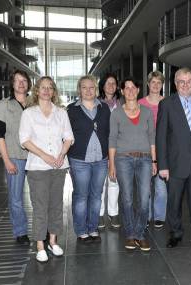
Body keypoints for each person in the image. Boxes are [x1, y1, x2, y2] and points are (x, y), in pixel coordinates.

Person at [156, 67, 191, 253]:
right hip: (174, 165)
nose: (186, 85)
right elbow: (161, 137)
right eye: (182, 81)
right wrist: (162, 165)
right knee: (174, 202)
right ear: (175, 83)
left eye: (189, 81)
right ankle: (175, 234)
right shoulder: (166, 104)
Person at [19, 76, 74, 263]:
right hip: (37, 167)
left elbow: (68, 137)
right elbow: (24, 140)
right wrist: (45, 156)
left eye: (50, 88)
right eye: (43, 87)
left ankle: (53, 241)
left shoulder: (61, 113)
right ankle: (40, 245)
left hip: (59, 166)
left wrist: (61, 155)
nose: (46, 90)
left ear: (54, 91)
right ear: (37, 90)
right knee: (40, 206)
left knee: (56, 205)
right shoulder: (29, 113)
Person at [109, 77, 156, 251]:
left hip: (144, 159)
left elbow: (152, 137)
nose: (129, 91)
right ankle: (131, 234)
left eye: (133, 87)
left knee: (144, 199)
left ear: (138, 90)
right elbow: (112, 139)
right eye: (126, 88)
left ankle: (139, 233)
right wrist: (112, 164)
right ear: (122, 91)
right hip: (123, 159)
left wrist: (154, 160)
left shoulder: (147, 112)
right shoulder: (116, 113)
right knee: (127, 199)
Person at [67, 75, 110, 243]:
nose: (88, 90)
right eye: (84, 87)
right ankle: (81, 230)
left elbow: (109, 133)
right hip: (79, 160)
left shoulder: (104, 108)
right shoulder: (71, 110)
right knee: (81, 196)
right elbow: (65, 135)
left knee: (96, 195)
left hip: (101, 160)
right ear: (79, 90)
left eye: (91, 87)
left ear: (96, 89)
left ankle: (92, 228)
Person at [0, 70, 32, 245]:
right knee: (16, 197)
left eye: (24, 80)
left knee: (39, 196)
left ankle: (43, 230)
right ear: (12, 84)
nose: (21, 83)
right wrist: (7, 160)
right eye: (17, 80)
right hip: (15, 157)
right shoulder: (4, 105)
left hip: (35, 157)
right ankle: (21, 232)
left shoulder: (35, 103)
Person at [138, 70, 167, 229]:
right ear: (148, 84)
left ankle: (159, 216)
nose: (156, 85)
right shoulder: (140, 103)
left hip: (162, 150)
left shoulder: (167, 102)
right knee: (145, 186)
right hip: (144, 149)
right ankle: (146, 215)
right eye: (153, 82)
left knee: (161, 186)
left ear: (162, 85)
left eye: (159, 82)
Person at [98, 73, 122, 229]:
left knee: (114, 181)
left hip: (119, 148)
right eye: (108, 83)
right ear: (103, 85)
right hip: (101, 147)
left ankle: (113, 213)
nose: (111, 86)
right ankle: (99, 214)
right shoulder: (97, 103)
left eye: (113, 83)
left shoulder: (122, 103)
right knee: (100, 184)